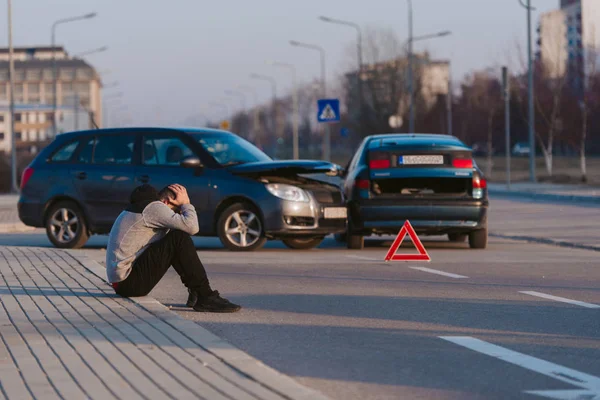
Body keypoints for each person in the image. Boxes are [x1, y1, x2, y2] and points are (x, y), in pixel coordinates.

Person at [105, 183, 241, 313]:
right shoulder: (154, 208)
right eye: (174, 210)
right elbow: (192, 227)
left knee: (174, 236)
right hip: (128, 283)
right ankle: (205, 296)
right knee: (179, 237)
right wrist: (186, 204)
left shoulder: (141, 207)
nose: (173, 215)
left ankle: (196, 292)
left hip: (124, 283)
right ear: (166, 202)